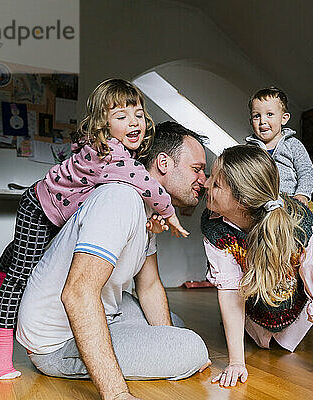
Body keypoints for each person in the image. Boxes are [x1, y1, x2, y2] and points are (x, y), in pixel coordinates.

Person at [0, 79, 190, 380]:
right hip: (41, 207)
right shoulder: (110, 156)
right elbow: (147, 184)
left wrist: (148, 225)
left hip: (63, 212)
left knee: (38, 257)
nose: (133, 123)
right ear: (103, 126)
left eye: (137, 114)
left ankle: (0, 268)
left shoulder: (118, 155)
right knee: (21, 275)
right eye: (121, 117)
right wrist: (169, 212)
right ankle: (1, 343)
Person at [16, 121, 210, 400]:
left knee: (175, 327)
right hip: (56, 342)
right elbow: (77, 293)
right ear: (164, 163)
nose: (202, 179)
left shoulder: (147, 207)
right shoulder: (120, 200)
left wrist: (167, 342)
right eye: (196, 169)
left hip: (104, 310)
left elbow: (150, 285)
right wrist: (117, 394)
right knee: (193, 349)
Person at [201, 145, 313, 396]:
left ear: (242, 200)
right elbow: (230, 292)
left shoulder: (299, 225)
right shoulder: (215, 226)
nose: (206, 184)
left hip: (294, 314)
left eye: (216, 184)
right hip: (252, 313)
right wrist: (236, 362)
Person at [245, 87, 313, 205]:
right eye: (257, 116)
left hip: (289, 200)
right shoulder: (249, 149)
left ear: (284, 118)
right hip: (259, 202)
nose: (262, 121)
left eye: (270, 114)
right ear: (251, 121)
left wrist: (302, 194)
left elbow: (306, 171)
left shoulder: (293, 144)